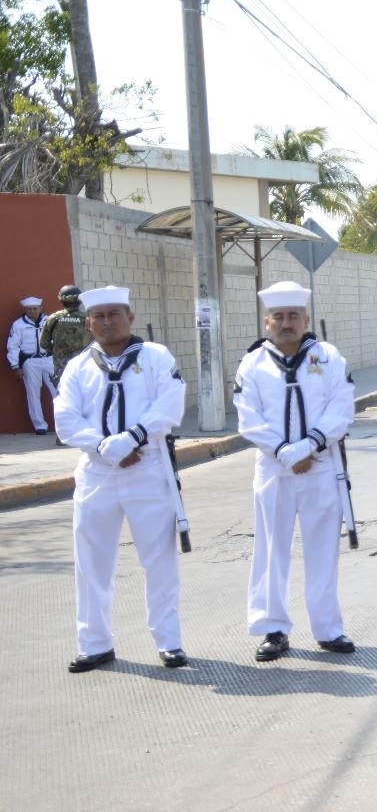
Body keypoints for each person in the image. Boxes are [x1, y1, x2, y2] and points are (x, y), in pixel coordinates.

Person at [53, 285, 188, 673]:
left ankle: (169, 642)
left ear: (129, 317)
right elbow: (65, 421)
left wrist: (132, 438)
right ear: (89, 322)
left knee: (159, 560)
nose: (107, 321)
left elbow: (170, 404)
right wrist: (107, 447)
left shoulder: (156, 357)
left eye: (115, 314)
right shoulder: (79, 366)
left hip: (147, 467)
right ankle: (95, 643)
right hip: (97, 473)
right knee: (92, 562)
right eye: (99, 316)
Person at [234, 280, 356, 661]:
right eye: (278, 317)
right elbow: (248, 418)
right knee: (271, 551)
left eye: (293, 317)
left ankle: (328, 629)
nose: (286, 323)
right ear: (266, 321)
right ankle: (273, 629)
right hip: (273, 469)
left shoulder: (329, 357)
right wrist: (286, 451)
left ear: (305, 319)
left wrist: (310, 445)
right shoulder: (252, 363)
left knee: (322, 551)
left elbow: (342, 408)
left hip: (320, 466)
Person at [7, 295, 55, 434]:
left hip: (49, 360)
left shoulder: (49, 321)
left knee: (58, 391)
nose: (32, 311)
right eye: (29, 309)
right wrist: (15, 366)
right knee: (33, 394)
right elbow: (13, 346)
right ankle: (40, 426)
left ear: (41, 308)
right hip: (30, 361)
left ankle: (63, 424)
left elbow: (58, 341)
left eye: (35, 308)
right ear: (25, 310)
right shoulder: (18, 325)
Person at [39, 284, 92, 388]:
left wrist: (57, 350)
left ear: (60, 299)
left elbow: (43, 343)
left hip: (61, 368)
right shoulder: (88, 318)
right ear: (80, 300)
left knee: (64, 400)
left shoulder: (53, 319)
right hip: (86, 367)